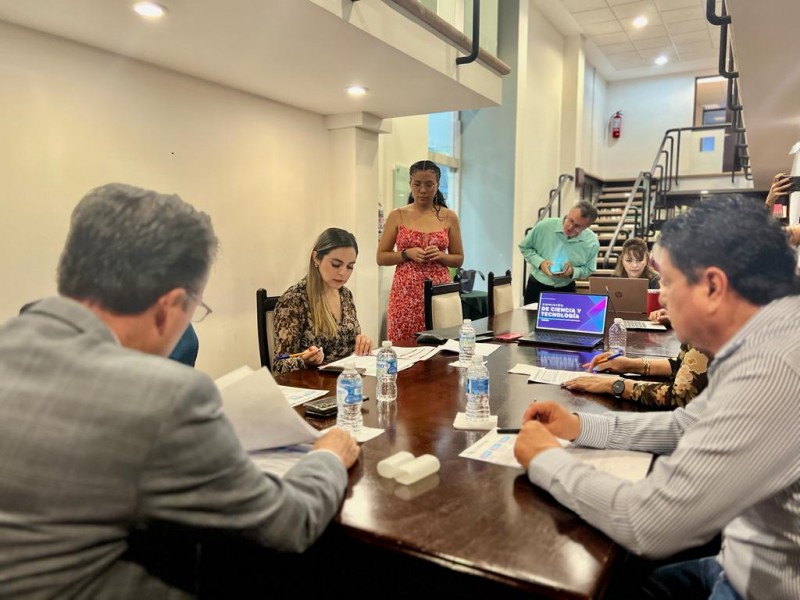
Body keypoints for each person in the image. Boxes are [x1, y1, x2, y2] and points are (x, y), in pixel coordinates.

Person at [0, 183, 360, 597]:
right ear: (170, 306)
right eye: (195, 309)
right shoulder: (165, 399)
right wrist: (329, 455)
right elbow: (288, 523)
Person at [513, 196, 800, 600]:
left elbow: (649, 523)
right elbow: (687, 424)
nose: (660, 297)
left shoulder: (773, 368)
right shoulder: (770, 337)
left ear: (713, 286)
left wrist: (545, 459)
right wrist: (578, 425)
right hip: (737, 558)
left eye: (667, 281)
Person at [377, 160, 464, 342]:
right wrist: (406, 254)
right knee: (403, 345)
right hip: (405, 295)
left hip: (439, 295)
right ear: (410, 183)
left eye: (429, 184)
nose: (423, 190)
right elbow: (381, 257)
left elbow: (458, 258)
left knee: (441, 345)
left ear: (437, 185)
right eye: (417, 184)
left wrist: (441, 256)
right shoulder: (397, 215)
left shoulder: (449, 216)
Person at [273, 227, 373, 373]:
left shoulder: (345, 294)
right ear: (316, 258)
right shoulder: (294, 300)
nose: (343, 272)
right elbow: (279, 364)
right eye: (336, 264)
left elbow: (349, 345)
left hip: (346, 379)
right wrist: (304, 360)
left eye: (350, 266)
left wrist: (362, 343)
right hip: (313, 383)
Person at [561, 343, 709, 409]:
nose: (662, 297)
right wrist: (630, 365)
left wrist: (615, 385)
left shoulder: (707, 329)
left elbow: (680, 397)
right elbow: (683, 364)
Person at [519, 201, 600, 305]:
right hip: (536, 287)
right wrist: (540, 263)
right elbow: (525, 247)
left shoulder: (591, 243)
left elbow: (589, 269)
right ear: (568, 213)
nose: (570, 227)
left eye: (577, 226)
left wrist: (573, 271)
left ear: (586, 227)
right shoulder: (544, 226)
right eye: (570, 220)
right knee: (530, 316)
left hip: (566, 289)